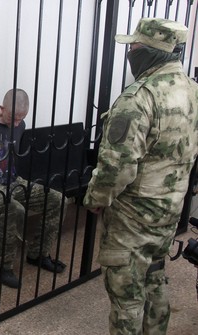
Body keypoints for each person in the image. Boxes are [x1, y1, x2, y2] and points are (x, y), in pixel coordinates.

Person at [83, 18, 198, 334]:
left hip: (132, 220)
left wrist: (95, 199)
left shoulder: (138, 98)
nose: (129, 51)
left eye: (133, 46)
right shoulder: (193, 91)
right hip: (169, 212)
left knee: (126, 296)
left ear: (151, 52)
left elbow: (116, 167)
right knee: (154, 278)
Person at [0, 88, 66, 289]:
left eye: (21, 119)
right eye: (13, 118)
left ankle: (38, 253)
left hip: (12, 181)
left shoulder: (21, 125)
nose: (17, 123)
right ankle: (2, 265)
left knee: (57, 199)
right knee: (14, 209)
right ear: (2, 109)